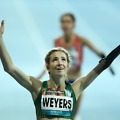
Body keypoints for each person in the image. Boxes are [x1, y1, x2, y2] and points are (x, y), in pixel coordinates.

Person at [0, 20, 119, 120]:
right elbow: (10, 68)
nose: (60, 63)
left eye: (63, 60)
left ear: (67, 66)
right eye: (55, 59)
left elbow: (104, 64)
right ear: (48, 66)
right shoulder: (37, 87)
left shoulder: (76, 88)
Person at [37, 13, 115, 119]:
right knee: (59, 115)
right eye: (63, 22)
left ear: (73, 24)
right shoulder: (57, 41)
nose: (65, 25)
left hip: (76, 82)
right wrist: (41, 74)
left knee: (73, 115)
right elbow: (52, 59)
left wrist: (109, 66)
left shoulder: (81, 40)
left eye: (68, 22)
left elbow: (98, 52)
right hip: (62, 82)